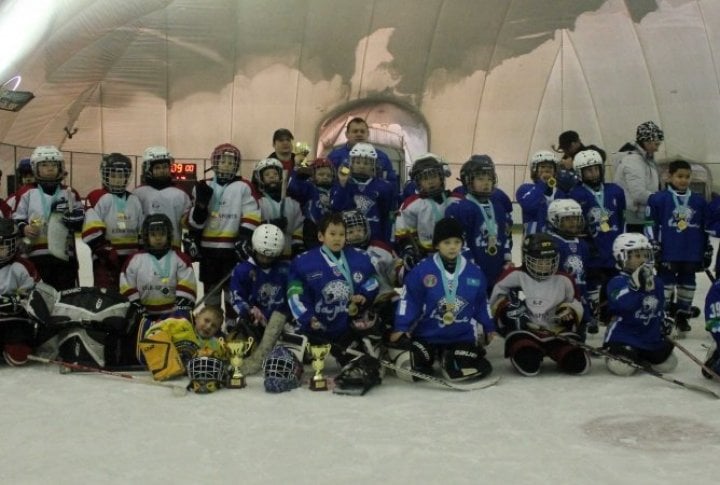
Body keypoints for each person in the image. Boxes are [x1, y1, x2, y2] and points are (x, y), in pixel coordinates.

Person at [389, 217, 495, 381]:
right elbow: (410, 300)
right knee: (413, 367)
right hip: (428, 336)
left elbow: (481, 303)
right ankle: (435, 357)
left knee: (462, 367)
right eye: (446, 242)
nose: (452, 247)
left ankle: (449, 358)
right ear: (437, 245)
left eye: (456, 242)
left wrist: (488, 327)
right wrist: (401, 326)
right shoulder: (422, 270)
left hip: (461, 337)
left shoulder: (474, 272)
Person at [489, 233, 590, 376]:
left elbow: (575, 302)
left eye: (549, 261)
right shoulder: (514, 276)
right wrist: (509, 310)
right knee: (528, 362)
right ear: (526, 257)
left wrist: (569, 311)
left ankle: (559, 351)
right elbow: (496, 300)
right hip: (525, 332)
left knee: (577, 363)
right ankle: (527, 351)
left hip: (557, 332)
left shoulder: (564, 280)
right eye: (539, 261)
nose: (545, 266)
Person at [287, 212, 379, 365]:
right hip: (314, 328)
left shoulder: (361, 257)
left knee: (358, 362)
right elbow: (294, 294)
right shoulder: (303, 262)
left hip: (346, 329)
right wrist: (307, 317)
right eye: (332, 234)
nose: (338, 238)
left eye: (342, 234)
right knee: (294, 358)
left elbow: (373, 280)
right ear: (321, 236)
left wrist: (364, 294)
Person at [187, 143, 260, 318]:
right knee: (211, 291)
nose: (227, 165)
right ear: (215, 162)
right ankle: (213, 327)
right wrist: (200, 208)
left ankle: (232, 324)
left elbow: (252, 214)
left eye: (231, 161)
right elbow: (195, 223)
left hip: (231, 251)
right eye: (223, 161)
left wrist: (243, 237)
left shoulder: (244, 186)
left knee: (232, 290)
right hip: (209, 251)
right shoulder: (202, 186)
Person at [645, 159, 707, 336]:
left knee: (688, 284)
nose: (683, 180)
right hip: (668, 251)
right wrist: (653, 244)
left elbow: (703, 227)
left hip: (691, 252)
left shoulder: (698, 201)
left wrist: (706, 248)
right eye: (679, 176)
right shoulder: (658, 199)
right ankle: (663, 315)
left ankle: (682, 314)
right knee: (666, 284)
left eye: (687, 177)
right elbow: (649, 223)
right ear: (669, 176)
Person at [603, 233, 677, 376]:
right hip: (624, 336)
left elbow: (660, 306)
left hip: (649, 336)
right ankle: (620, 353)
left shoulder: (657, 282)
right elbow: (622, 305)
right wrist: (635, 287)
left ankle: (641, 355)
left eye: (646, 255)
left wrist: (664, 320)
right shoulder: (617, 282)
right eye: (637, 256)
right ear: (621, 257)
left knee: (668, 364)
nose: (643, 260)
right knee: (623, 368)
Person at [12, 145, 85, 290]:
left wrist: (77, 222)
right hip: (34, 256)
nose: (50, 168)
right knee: (40, 296)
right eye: (44, 165)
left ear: (61, 167)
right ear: (35, 167)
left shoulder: (70, 193)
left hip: (64, 257)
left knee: (64, 296)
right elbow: (16, 217)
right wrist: (24, 228)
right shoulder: (26, 192)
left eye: (54, 164)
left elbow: (81, 219)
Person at [569, 149, 626, 328]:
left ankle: (609, 313)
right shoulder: (576, 194)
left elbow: (622, 216)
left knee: (614, 280)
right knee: (591, 281)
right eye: (588, 170)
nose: (594, 174)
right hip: (591, 246)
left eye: (596, 169)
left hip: (613, 245)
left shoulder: (615, 190)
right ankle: (592, 313)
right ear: (580, 173)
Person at [119, 213, 197, 339]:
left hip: (173, 318)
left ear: (169, 235)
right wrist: (138, 310)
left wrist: (176, 315)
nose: (158, 238)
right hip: (143, 318)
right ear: (146, 236)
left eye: (162, 234)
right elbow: (127, 287)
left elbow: (187, 287)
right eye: (153, 235)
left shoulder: (180, 259)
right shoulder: (134, 260)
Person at [445, 155, 513, 293]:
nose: (486, 183)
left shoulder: (498, 207)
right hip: (469, 269)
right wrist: (469, 264)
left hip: (495, 268)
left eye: (489, 179)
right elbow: (458, 242)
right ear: (468, 181)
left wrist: (506, 259)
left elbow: (505, 235)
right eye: (480, 179)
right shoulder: (459, 208)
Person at [82, 153, 144, 290]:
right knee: (107, 296)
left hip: (131, 258)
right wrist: (104, 251)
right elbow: (91, 229)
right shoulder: (96, 196)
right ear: (105, 176)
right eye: (113, 175)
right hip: (105, 259)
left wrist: (141, 253)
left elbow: (141, 230)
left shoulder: (134, 200)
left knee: (130, 295)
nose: (118, 180)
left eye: (121, 176)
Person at [395, 153, 458, 271]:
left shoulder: (457, 200)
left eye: (433, 176)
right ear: (418, 182)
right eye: (425, 178)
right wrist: (409, 250)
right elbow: (404, 233)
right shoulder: (411, 204)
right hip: (426, 254)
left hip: (455, 253)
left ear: (441, 176)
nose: (430, 182)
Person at [229, 224, 290, 340]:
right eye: (262, 255)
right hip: (251, 324)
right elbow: (236, 298)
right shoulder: (242, 270)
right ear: (254, 248)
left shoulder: (286, 269)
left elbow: (294, 297)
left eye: (270, 257)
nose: (265, 260)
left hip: (282, 325)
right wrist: (249, 311)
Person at [329, 142, 396, 244]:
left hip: (375, 240)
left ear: (373, 165)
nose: (361, 166)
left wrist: (387, 243)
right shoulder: (343, 184)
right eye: (357, 162)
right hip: (348, 240)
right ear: (350, 163)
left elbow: (389, 218)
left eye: (366, 163)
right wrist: (342, 184)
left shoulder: (385, 187)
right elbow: (336, 209)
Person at [545, 198, 594, 335]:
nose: (573, 222)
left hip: (580, 296)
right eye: (567, 219)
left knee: (580, 334)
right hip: (559, 299)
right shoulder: (551, 243)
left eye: (576, 218)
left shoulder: (583, 244)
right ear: (554, 219)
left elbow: (585, 273)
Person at [132, 146, 191, 249]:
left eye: (165, 167)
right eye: (157, 168)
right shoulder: (138, 193)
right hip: (145, 250)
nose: (162, 171)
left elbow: (187, 224)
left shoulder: (181, 194)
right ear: (148, 169)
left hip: (172, 250)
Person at [0, 219, 40, 365]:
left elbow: (38, 296)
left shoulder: (22, 267)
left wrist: (18, 301)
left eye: (1, 245)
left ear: (13, 244)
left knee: (19, 355)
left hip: (15, 320)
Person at [613, 121, 663, 232]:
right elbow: (639, 194)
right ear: (646, 141)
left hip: (643, 213)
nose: (657, 149)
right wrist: (662, 199)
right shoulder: (633, 161)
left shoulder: (645, 160)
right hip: (634, 216)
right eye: (656, 144)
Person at [251, 157, 304, 258]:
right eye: (267, 174)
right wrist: (270, 224)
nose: (272, 177)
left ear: (281, 176)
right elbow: (253, 226)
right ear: (259, 178)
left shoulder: (293, 203)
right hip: (265, 254)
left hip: (287, 253)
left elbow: (298, 228)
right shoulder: (257, 202)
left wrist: (298, 246)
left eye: (275, 174)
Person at [327, 117, 398, 189]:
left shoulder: (381, 157)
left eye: (362, 131)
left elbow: (391, 183)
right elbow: (325, 182)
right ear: (347, 134)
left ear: (368, 134)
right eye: (355, 131)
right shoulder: (334, 157)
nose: (359, 134)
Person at [287, 157, 335, 249]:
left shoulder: (335, 191)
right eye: (321, 174)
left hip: (331, 229)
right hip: (311, 228)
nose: (325, 177)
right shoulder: (310, 187)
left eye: (329, 175)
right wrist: (296, 171)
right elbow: (293, 188)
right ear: (313, 176)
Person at [516, 150, 565, 236]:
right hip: (534, 243)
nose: (547, 170)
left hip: (556, 242)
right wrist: (542, 184)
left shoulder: (560, 193)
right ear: (535, 170)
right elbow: (530, 206)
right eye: (542, 167)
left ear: (555, 171)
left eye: (550, 167)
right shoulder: (525, 188)